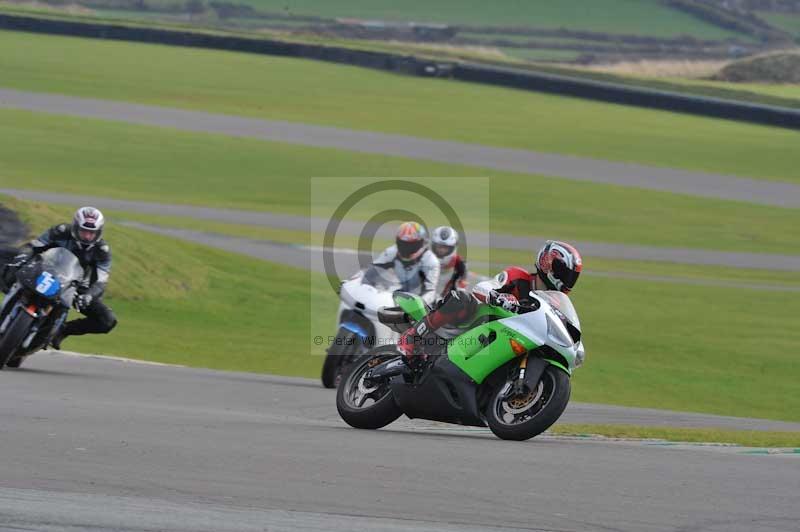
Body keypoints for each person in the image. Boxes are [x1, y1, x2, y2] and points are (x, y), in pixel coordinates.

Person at [397, 240, 583, 360]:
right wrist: (498, 297)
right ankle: (413, 335)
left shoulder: (555, 302)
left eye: (572, 276)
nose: (567, 280)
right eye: (564, 272)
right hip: (476, 323)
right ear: (547, 263)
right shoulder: (518, 277)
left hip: (509, 337)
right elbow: (482, 288)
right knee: (461, 299)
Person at [1, 207, 117, 349]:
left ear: (99, 232)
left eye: (92, 233)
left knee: (107, 320)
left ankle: (61, 331)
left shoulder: (102, 251)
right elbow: (35, 246)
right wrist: (22, 257)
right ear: (75, 227)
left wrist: (88, 295)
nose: (87, 236)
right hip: (46, 272)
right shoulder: (60, 231)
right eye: (84, 231)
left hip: (76, 287)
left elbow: (101, 281)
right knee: (11, 269)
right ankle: (8, 306)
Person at [371, 222, 440, 306]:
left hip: (421, 304)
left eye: (412, 245)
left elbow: (430, 291)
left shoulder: (430, 261)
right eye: (403, 244)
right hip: (396, 297)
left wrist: (415, 305)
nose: (406, 248)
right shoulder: (391, 252)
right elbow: (371, 271)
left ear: (421, 243)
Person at [430, 226, 468, 298]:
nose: (441, 250)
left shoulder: (460, 262)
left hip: (446, 298)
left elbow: (463, 282)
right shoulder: (425, 257)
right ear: (433, 245)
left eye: (445, 247)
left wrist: (460, 291)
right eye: (439, 246)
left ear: (453, 247)